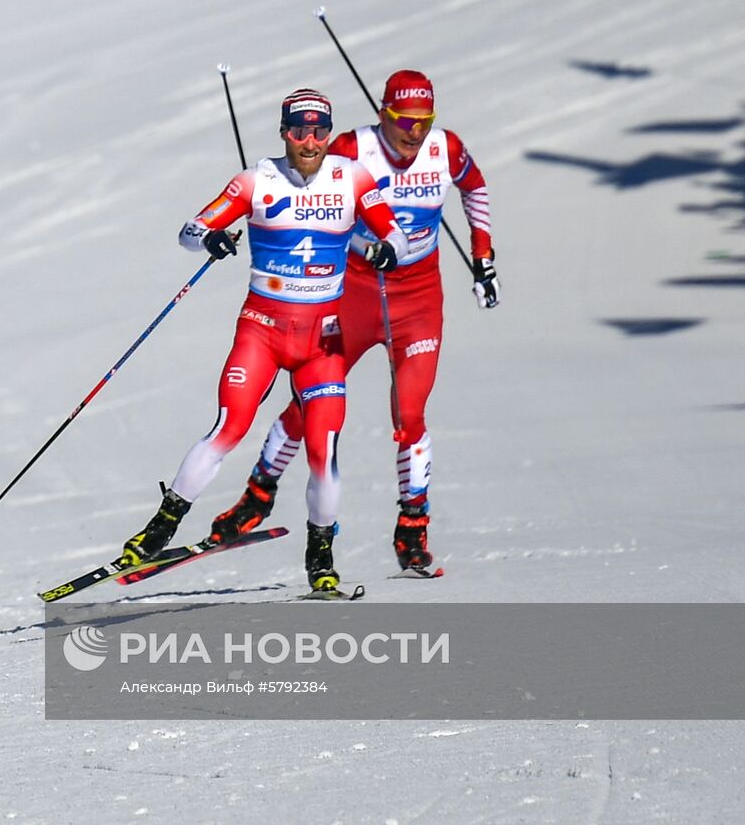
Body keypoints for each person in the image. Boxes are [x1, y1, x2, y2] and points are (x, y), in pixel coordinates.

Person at [120, 88, 408, 593]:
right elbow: (190, 230)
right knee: (229, 428)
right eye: (299, 130)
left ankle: (321, 554)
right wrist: (211, 238)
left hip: (322, 343)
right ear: (284, 133)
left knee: (324, 449)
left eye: (320, 130)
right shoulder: (256, 180)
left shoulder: (352, 177)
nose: (310, 140)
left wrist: (386, 249)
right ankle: (159, 529)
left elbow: (396, 235)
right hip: (262, 331)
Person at [211, 70, 496, 574]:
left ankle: (413, 525)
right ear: (384, 114)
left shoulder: (445, 149)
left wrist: (483, 257)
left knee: (410, 413)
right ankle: (259, 493)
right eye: (406, 121)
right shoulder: (350, 148)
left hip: (419, 299)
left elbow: (474, 188)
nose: (416, 133)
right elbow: (309, 199)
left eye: (425, 121)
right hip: (355, 295)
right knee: (313, 401)